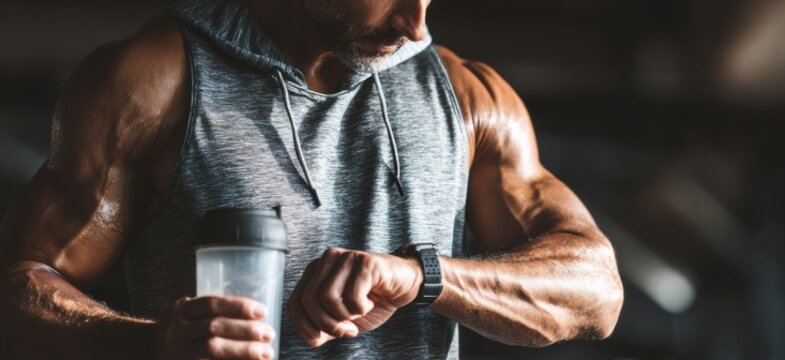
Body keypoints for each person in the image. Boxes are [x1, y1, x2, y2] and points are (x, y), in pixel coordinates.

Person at [0, 0, 624, 358]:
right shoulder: (153, 82)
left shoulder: (466, 96)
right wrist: (153, 345)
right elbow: (18, 292)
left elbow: (596, 291)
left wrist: (423, 275)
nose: (417, 25)